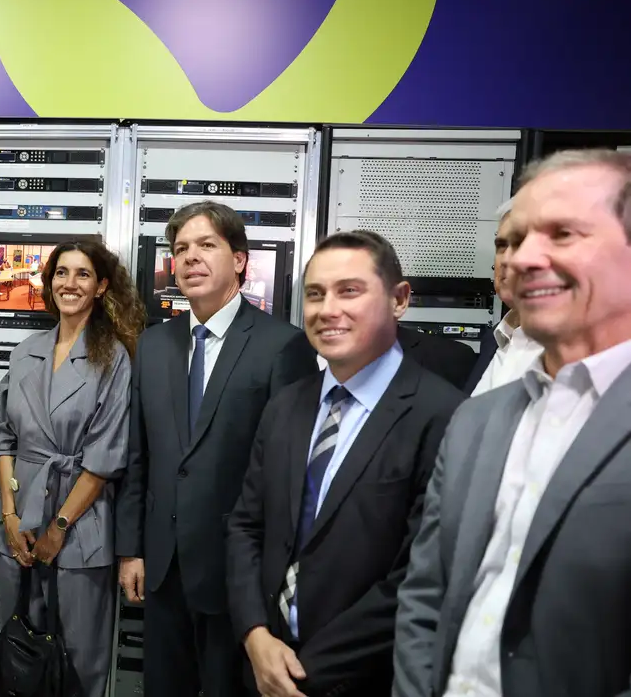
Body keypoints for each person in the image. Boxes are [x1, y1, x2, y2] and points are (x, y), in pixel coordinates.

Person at [393, 149, 631, 697]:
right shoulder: (477, 419)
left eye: (563, 234)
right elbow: (425, 597)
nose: (523, 259)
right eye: (516, 239)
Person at [227, 230, 464, 697]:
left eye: (349, 291)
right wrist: (255, 635)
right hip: (263, 667)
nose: (327, 309)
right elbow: (245, 526)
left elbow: (420, 573)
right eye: (315, 294)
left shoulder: (444, 415)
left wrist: (303, 673)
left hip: (363, 679)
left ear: (399, 299)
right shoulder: (287, 405)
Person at [115, 201, 319, 697]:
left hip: (238, 574)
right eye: (180, 249)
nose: (190, 258)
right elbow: (138, 455)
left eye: (206, 245)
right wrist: (131, 550)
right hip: (163, 569)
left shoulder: (283, 345)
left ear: (241, 261)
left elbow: (289, 471)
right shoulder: (154, 345)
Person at [0, 238, 146, 697]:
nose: (68, 283)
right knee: (19, 658)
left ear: (100, 287)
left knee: (78, 667)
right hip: (17, 528)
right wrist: (11, 517)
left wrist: (58, 527)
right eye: (61, 273)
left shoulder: (113, 356)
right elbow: (4, 438)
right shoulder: (26, 350)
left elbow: (105, 456)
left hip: (80, 528)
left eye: (81, 274)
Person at [466, 202, 543, 395]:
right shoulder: (494, 339)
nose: (506, 259)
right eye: (501, 245)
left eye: (520, 244)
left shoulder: (580, 354)